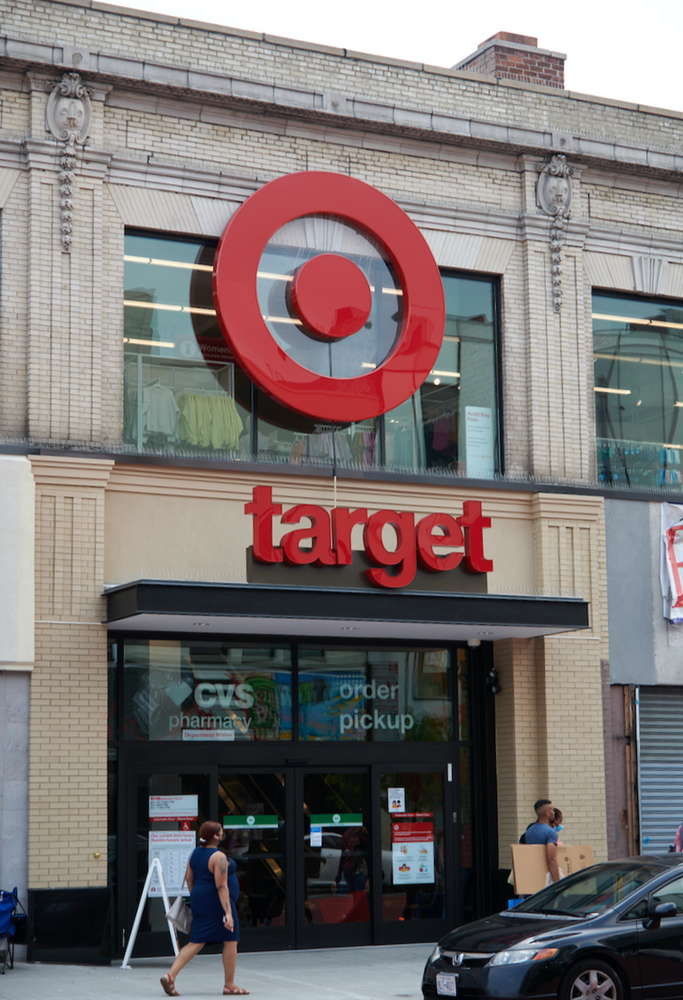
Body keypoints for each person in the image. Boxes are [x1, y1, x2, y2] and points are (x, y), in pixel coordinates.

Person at [160, 821, 249, 997]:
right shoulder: (218, 857)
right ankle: (229, 984)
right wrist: (228, 913)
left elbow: (189, 879)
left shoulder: (194, 854)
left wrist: (196, 897)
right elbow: (222, 886)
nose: (223, 834)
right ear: (215, 836)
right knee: (231, 939)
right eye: (221, 832)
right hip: (218, 903)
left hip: (201, 900)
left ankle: (170, 976)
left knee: (196, 941)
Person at [524, 799, 560, 883]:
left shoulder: (529, 831)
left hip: (531, 875)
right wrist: (558, 882)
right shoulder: (550, 832)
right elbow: (552, 860)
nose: (554, 812)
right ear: (547, 813)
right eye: (552, 810)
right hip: (545, 879)